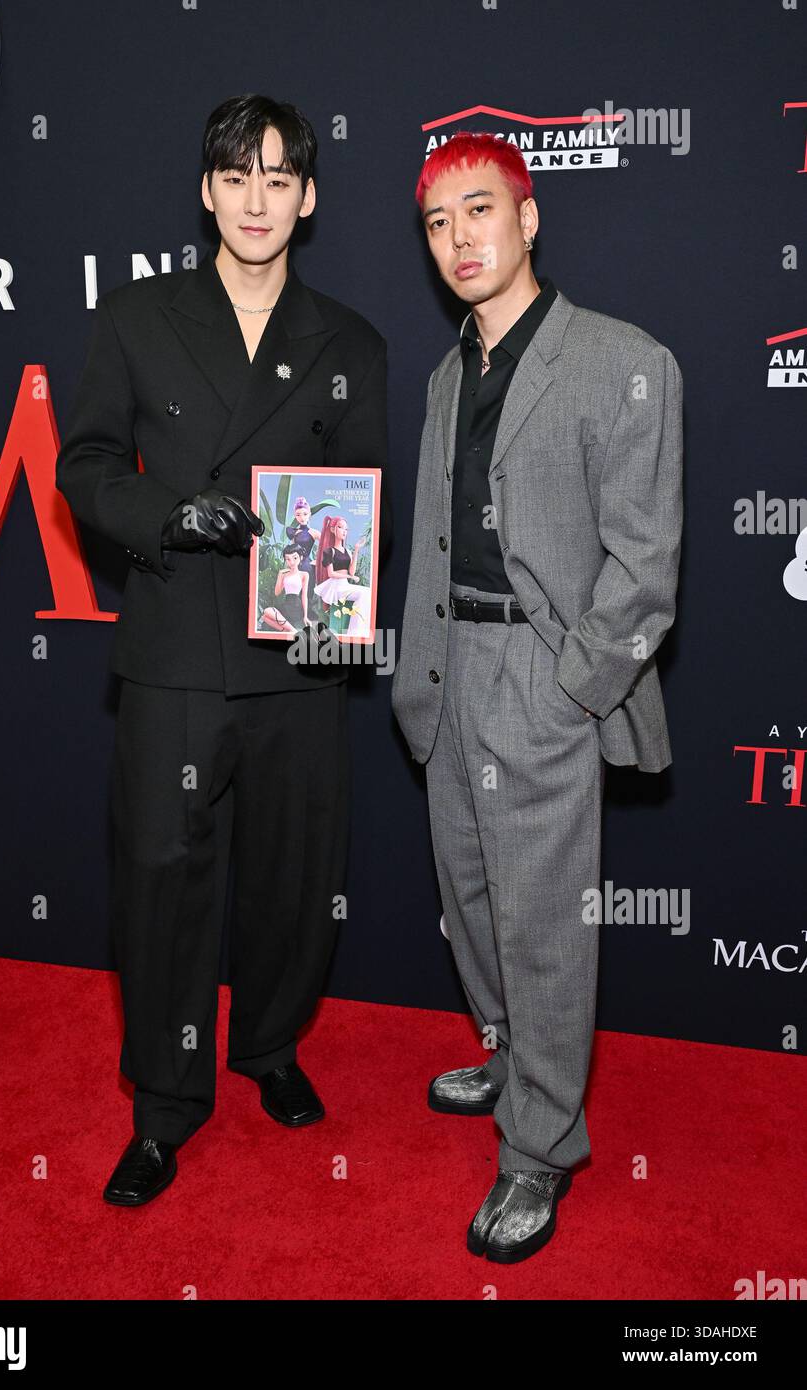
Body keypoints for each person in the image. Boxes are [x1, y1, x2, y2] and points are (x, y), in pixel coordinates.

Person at [56, 93, 389, 1206]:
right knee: (160, 881)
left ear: (308, 197)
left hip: (297, 658)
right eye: (237, 176)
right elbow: (86, 463)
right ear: (207, 191)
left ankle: (271, 1050)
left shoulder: (349, 341)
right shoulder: (138, 317)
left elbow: (363, 500)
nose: (257, 198)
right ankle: (162, 1104)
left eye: (279, 177)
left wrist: (336, 598)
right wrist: (163, 512)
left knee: (296, 879)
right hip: (173, 654)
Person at [391, 132, 683, 1262]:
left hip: (541, 680)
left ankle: (538, 1148)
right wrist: (418, 673)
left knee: (543, 920)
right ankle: (510, 1054)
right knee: (468, 894)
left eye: (478, 210)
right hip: (448, 668)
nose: (458, 238)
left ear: (527, 217)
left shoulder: (622, 359)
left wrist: (572, 690)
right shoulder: (442, 371)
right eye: (435, 222)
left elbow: (644, 567)